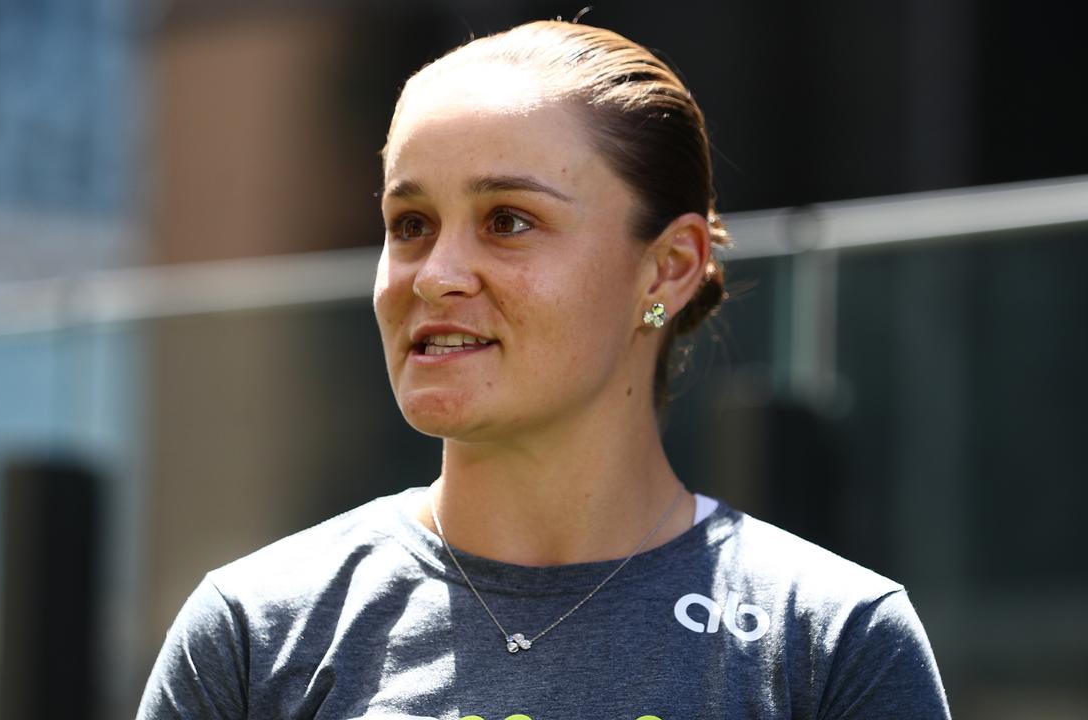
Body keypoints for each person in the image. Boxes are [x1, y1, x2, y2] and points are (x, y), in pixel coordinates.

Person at [137, 19, 951, 720]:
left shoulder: (831, 641)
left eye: (508, 220)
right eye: (411, 222)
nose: (436, 274)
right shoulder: (252, 634)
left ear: (666, 269)